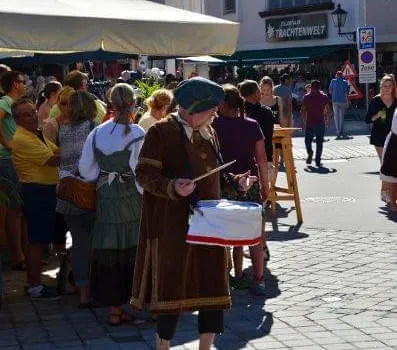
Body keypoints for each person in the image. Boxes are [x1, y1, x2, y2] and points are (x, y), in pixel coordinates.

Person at [131, 77, 256, 350]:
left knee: (213, 285)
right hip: (173, 224)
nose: (215, 114)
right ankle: (163, 346)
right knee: (171, 287)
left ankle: (205, 347)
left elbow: (217, 172)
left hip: (210, 224)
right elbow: (144, 174)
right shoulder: (161, 132)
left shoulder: (209, 131)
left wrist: (237, 182)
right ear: (193, 106)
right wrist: (171, 186)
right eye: (211, 109)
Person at [79, 83, 145, 325]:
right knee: (131, 248)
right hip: (130, 197)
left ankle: (114, 310)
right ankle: (131, 303)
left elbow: (86, 171)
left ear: (110, 104)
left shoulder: (97, 132)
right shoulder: (138, 133)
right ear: (132, 104)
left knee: (109, 249)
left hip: (105, 195)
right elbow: (142, 175)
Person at [212, 84, 269, 296]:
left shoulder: (213, 125)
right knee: (255, 235)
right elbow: (261, 159)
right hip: (250, 184)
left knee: (222, 235)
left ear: (222, 104)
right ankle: (259, 278)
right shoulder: (252, 125)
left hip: (224, 185)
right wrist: (266, 185)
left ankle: (222, 279)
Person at [12, 98, 60, 299]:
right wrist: (80, 149)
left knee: (39, 239)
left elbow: (55, 151)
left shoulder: (36, 133)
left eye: (33, 112)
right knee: (36, 240)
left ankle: (35, 283)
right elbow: (52, 159)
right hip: (36, 191)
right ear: (17, 119)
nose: (32, 117)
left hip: (44, 190)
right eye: (26, 114)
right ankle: (35, 287)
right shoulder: (23, 138)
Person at [57, 91, 97, 307]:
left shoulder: (64, 128)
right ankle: (94, 288)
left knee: (80, 244)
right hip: (87, 191)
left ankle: (82, 291)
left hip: (67, 192)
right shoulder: (92, 128)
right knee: (93, 245)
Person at [0, 70, 27, 271]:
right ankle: (18, 256)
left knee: (20, 209)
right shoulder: (5, 102)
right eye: (22, 81)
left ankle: (23, 254)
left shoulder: (14, 103)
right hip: (7, 158)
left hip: (16, 157)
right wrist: (7, 143)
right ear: (14, 84)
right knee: (15, 209)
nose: (25, 84)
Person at [366, 74, 397, 202]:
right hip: (379, 136)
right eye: (384, 86)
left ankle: (390, 192)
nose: (386, 88)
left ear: (393, 87)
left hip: (394, 136)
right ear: (381, 86)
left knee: (393, 165)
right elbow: (367, 119)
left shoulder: (396, 100)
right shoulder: (376, 100)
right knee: (385, 164)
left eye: (389, 86)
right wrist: (377, 115)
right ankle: (386, 193)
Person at [301, 80, 332, 167]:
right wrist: (328, 120)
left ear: (311, 87)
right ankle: (318, 161)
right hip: (320, 122)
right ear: (319, 88)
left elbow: (302, 110)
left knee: (307, 141)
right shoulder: (324, 97)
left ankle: (310, 152)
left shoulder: (306, 97)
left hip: (309, 123)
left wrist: (303, 122)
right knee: (319, 142)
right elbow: (328, 109)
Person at [380, 110, 397, 215]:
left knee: (391, 176)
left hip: (392, 141)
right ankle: (392, 204)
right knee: (391, 176)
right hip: (394, 143)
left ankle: (391, 202)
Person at [328, 71, 349, 139]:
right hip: (342, 101)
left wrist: (334, 94)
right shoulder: (345, 82)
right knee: (341, 117)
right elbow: (346, 93)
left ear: (336, 75)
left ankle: (338, 133)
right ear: (342, 75)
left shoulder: (333, 81)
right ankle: (341, 131)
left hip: (334, 101)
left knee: (336, 117)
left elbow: (330, 91)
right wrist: (347, 101)